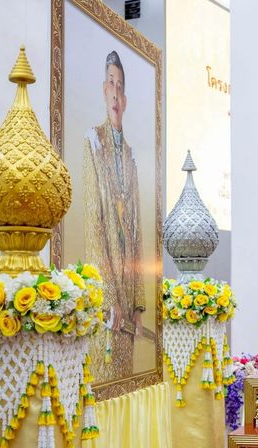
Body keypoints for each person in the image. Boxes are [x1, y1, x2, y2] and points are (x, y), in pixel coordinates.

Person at [83, 50, 146, 381]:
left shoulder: (131, 153)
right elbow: (94, 225)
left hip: (127, 286)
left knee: (127, 381)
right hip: (107, 292)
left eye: (121, 85)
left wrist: (136, 305)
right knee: (104, 378)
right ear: (103, 90)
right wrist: (108, 297)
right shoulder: (93, 141)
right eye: (111, 83)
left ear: (126, 98)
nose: (116, 92)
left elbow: (136, 234)